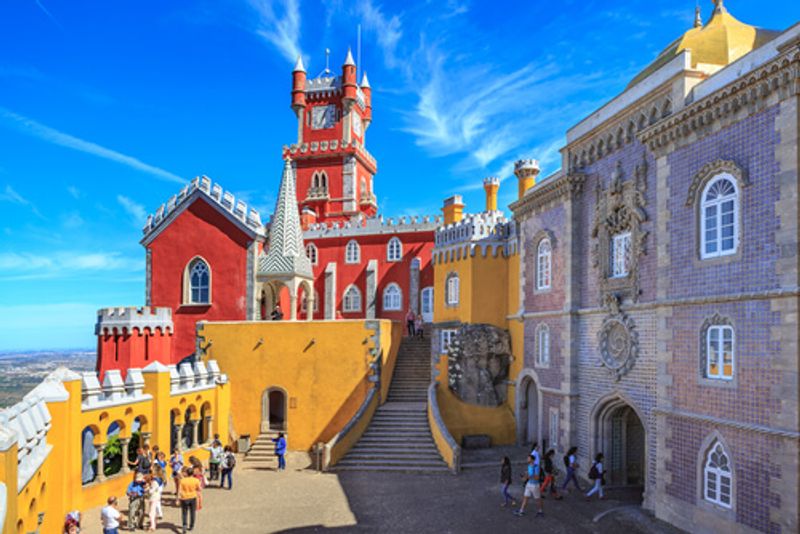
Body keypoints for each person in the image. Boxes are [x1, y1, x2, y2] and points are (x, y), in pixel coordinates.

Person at [178, 466, 201, 534]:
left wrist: (177, 499)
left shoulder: (182, 480)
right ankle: (191, 526)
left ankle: (184, 525)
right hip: (193, 497)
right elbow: (199, 489)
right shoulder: (196, 480)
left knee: (184, 513)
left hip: (184, 498)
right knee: (192, 512)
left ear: (187, 473)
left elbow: (179, 490)